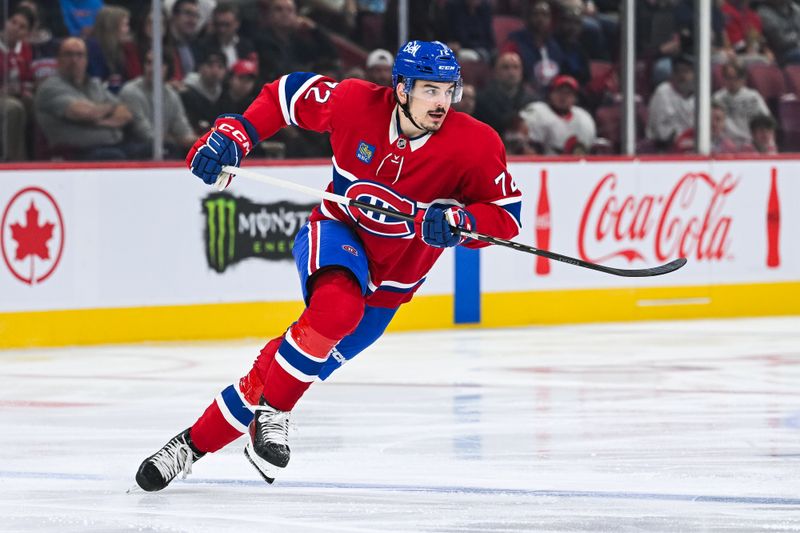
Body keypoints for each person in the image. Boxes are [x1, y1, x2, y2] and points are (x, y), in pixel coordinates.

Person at [134, 40, 522, 491]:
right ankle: (274, 417)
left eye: (448, 91)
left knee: (282, 373)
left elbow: (506, 215)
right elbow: (286, 95)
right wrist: (235, 135)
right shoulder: (354, 103)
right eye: (429, 90)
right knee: (337, 311)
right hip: (338, 235)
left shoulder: (474, 144)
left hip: (394, 283)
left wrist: (464, 221)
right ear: (401, 88)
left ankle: (187, 446)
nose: (441, 102)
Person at [34, 37, 140, 160]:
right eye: (68, 55)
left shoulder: (94, 85)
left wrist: (99, 120)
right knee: (114, 156)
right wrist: (109, 111)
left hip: (112, 145)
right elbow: (84, 113)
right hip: (72, 153)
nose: (74, 60)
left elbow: (126, 113)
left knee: (152, 150)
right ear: (58, 59)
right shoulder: (50, 87)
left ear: (86, 60)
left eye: (80, 55)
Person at [119, 50, 196, 159]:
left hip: (164, 145)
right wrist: (176, 139)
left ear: (167, 68)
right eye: (148, 63)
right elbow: (145, 134)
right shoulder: (131, 91)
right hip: (135, 146)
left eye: (157, 64)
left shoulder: (171, 95)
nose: (151, 68)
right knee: (169, 148)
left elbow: (183, 130)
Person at [519, 74, 596, 154]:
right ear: (550, 93)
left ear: (575, 98)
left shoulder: (584, 118)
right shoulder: (536, 111)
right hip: (542, 164)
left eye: (568, 93)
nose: (563, 97)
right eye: (559, 91)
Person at [474, 51, 538, 141]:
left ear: (521, 72)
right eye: (505, 68)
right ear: (495, 72)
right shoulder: (482, 100)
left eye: (516, 67)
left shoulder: (532, 100)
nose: (511, 72)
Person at [85, 5, 141, 94]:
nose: (127, 30)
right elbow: (97, 82)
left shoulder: (120, 49)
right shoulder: (93, 47)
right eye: (125, 25)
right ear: (112, 26)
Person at [712, 60, 770, 144]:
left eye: (735, 78)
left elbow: (766, 121)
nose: (731, 82)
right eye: (728, 77)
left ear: (743, 78)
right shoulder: (717, 98)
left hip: (750, 143)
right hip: (725, 145)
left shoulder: (753, 96)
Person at [646, 53, 695, 151]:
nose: (682, 76)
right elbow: (659, 132)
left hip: (691, 148)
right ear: (672, 74)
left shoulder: (697, 97)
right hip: (662, 149)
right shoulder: (663, 92)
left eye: (686, 71)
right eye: (678, 71)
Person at [180, 47, 227, 132]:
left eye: (220, 67)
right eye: (210, 65)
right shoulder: (187, 92)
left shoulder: (224, 95)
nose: (215, 71)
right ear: (200, 67)